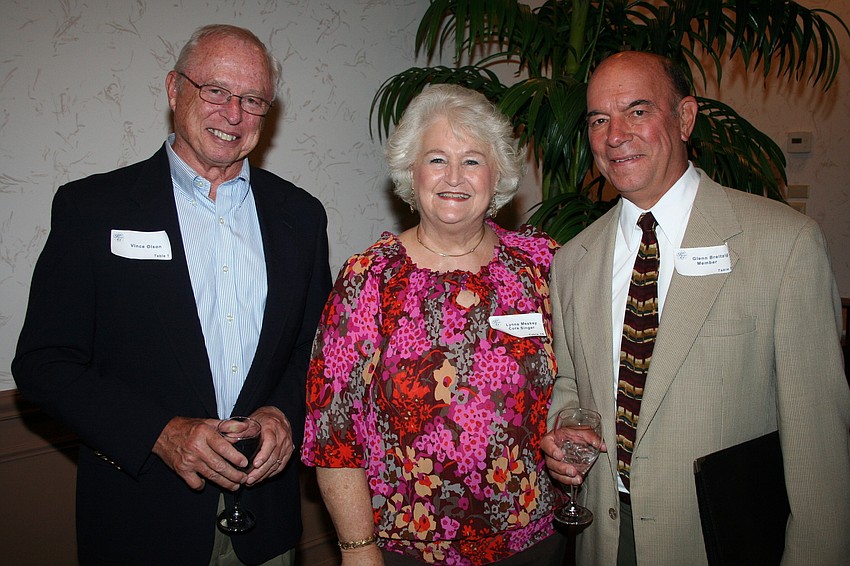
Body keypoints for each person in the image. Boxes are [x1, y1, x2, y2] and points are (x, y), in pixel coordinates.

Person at [12, 24, 331, 565]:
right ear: (174, 89)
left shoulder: (300, 216)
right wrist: (158, 433)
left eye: (253, 100)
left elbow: (315, 349)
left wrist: (283, 414)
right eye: (216, 91)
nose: (234, 114)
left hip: (266, 525)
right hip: (141, 522)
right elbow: (45, 362)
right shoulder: (93, 209)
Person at [542, 50, 850, 565]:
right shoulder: (572, 260)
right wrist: (564, 431)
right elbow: (571, 382)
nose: (615, 135)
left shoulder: (783, 246)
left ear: (685, 118)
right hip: (605, 539)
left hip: (721, 541)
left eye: (638, 111)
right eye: (598, 119)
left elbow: (818, 443)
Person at [301, 84, 564, 565]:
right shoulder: (370, 279)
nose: (454, 177)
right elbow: (334, 433)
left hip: (534, 540)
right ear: (411, 172)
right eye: (437, 159)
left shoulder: (540, 265)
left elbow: (579, 380)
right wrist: (357, 550)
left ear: (497, 174)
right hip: (407, 548)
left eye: (472, 160)